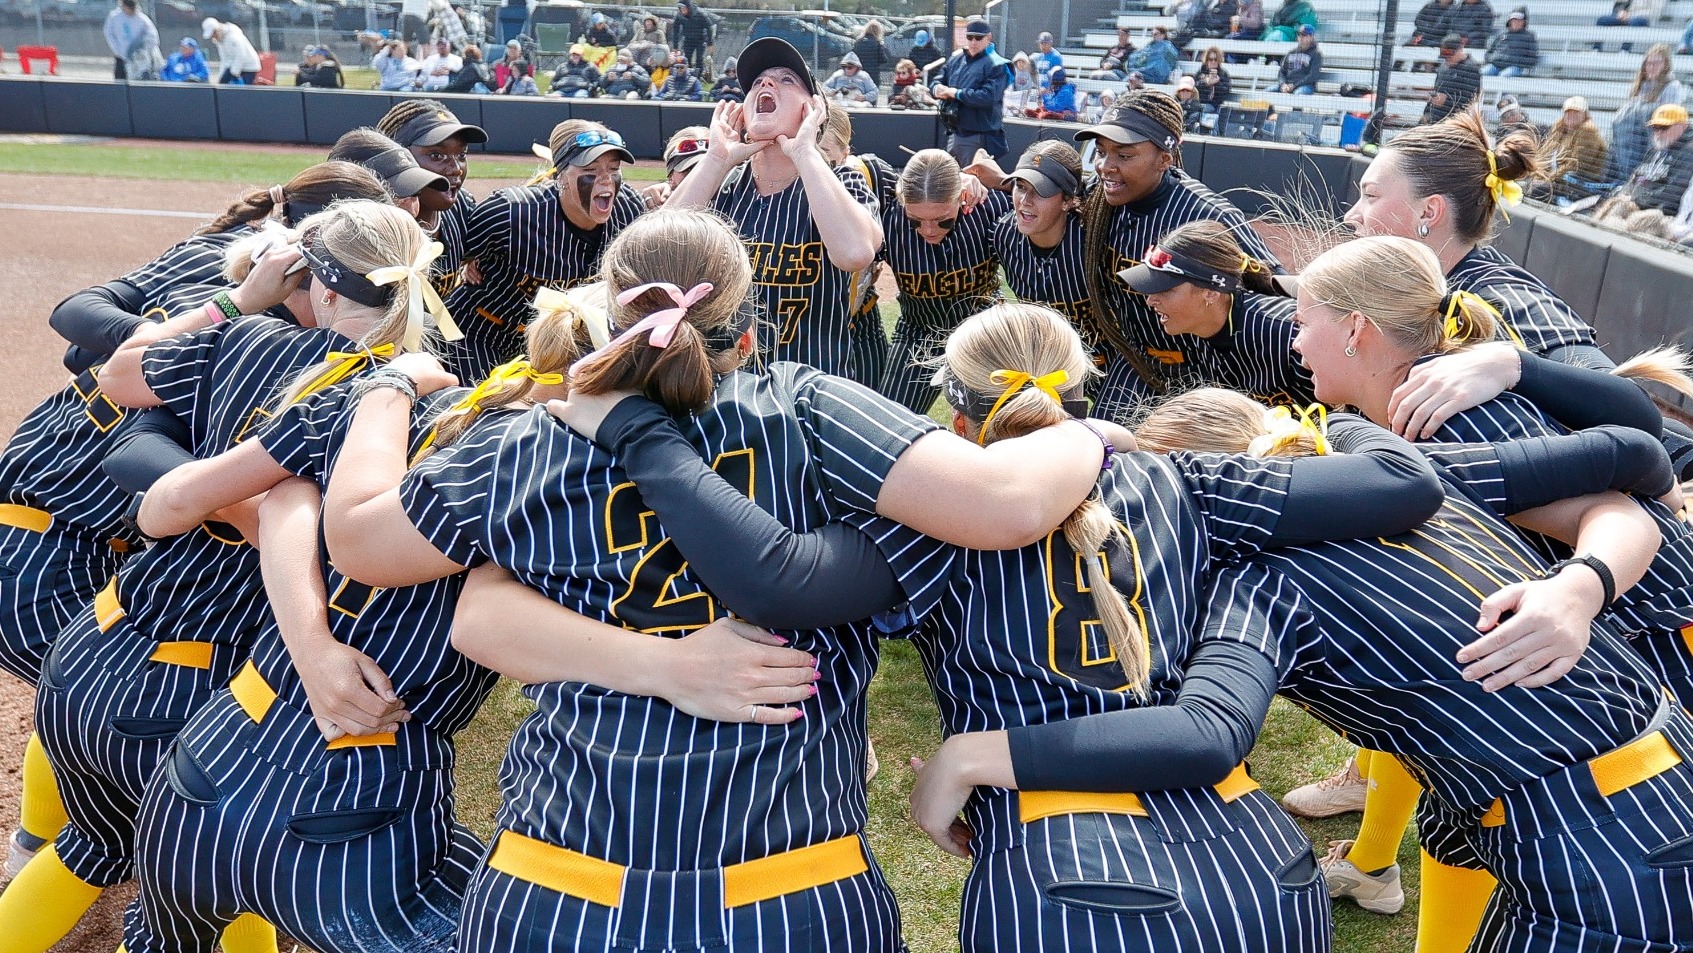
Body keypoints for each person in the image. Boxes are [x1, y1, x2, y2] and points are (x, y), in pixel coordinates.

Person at [320, 207, 1116, 953]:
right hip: (786, 889)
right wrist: (1088, 434)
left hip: (556, 882)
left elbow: (357, 539)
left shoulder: (532, 439)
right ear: (746, 334)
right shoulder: (808, 409)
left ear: (608, 320)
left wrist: (388, 385)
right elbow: (1008, 503)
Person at [0, 197, 436, 953]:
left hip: (93, 645)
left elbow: (117, 376)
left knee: (93, 847)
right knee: (216, 895)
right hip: (188, 679)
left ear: (319, 284)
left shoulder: (247, 338)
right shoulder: (394, 406)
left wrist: (238, 300)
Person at [668, 38, 883, 383]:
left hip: (809, 390)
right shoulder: (724, 184)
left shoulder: (842, 182)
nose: (766, 83)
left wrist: (806, 151)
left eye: (787, 79)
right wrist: (716, 159)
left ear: (813, 110)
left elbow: (855, 253)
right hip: (728, 391)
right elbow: (654, 250)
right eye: (757, 81)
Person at [1071, 91, 1284, 417]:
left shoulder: (1208, 216)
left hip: (1207, 372)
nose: (1106, 166)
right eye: (1101, 152)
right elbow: (1054, 199)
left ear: (1164, 159)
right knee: (1104, 443)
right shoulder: (1102, 199)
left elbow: (1273, 288)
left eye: (1124, 155)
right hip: (1138, 363)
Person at [444, 119, 645, 379]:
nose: (606, 179)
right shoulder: (512, 213)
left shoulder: (628, 209)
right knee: (481, 400)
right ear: (561, 176)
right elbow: (448, 253)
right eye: (591, 169)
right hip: (479, 333)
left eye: (614, 168)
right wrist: (468, 261)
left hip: (553, 341)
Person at [1118, 220, 1313, 406]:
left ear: (1211, 293)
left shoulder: (1289, 334)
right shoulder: (1193, 329)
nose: (1150, 300)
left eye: (1166, 289)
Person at [873, 149, 1009, 412]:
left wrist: (1000, 181)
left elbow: (1048, 202)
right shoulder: (888, 216)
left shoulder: (987, 207)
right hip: (919, 331)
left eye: (943, 220)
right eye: (916, 221)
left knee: (999, 425)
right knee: (890, 417)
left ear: (961, 197)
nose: (929, 230)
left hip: (984, 331)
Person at [376, 99, 489, 301]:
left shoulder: (462, 208)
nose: (456, 168)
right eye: (437, 155)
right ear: (396, 157)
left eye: (462, 154)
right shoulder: (370, 223)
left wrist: (474, 259)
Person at [991, 142, 1095, 349]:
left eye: (1041, 191)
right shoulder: (1004, 234)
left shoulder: (1091, 240)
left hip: (1101, 360)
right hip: (1039, 358)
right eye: (1020, 186)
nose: (1025, 200)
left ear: (1067, 201)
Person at [934, 19, 1011, 165]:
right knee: (951, 176)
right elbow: (937, 81)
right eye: (970, 37)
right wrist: (937, 89)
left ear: (988, 38)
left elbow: (988, 96)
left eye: (978, 38)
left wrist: (956, 93)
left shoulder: (998, 64)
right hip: (954, 131)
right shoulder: (957, 59)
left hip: (979, 135)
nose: (973, 42)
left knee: (972, 177)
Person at [1608, 44, 1684, 183]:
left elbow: (1668, 116)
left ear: (1665, 65)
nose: (1651, 67)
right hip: (1633, 140)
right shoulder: (1642, 86)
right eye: (1648, 63)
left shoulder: (1672, 86)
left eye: (1656, 63)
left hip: (1656, 138)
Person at [1622, 103, 1693, 212]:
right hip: (1642, 206)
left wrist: (1638, 200)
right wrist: (1623, 194)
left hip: (1667, 213)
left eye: (1664, 127)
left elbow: (1674, 192)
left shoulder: (1688, 152)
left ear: (1683, 126)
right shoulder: (1656, 149)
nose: (1659, 133)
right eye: (1655, 127)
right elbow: (1636, 177)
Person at [1540, 97, 1609, 201]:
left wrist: (1549, 178)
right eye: (1568, 112)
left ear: (1585, 115)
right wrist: (1538, 174)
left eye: (1576, 112)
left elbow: (1576, 164)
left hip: (1577, 184)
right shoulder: (1559, 129)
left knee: (1534, 190)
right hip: (1556, 179)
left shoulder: (1587, 131)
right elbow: (1544, 155)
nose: (1571, 115)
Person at [1423, 35, 1481, 124]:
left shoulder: (1471, 69)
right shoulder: (1443, 68)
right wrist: (1426, 112)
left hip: (1457, 119)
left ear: (1460, 49)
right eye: (1445, 56)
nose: (1447, 59)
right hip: (1436, 117)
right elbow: (1436, 92)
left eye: (1450, 55)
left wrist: (1446, 101)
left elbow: (1471, 99)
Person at [106, 0, 159, 80]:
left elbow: (153, 36)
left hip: (139, 59)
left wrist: (143, 50)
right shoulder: (114, 17)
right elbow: (109, 34)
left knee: (140, 81)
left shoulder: (142, 19)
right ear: (123, 6)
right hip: (121, 57)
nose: (131, 11)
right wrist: (118, 51)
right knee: (120, 81)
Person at [201, 17, 259, 84]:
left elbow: (240, 55)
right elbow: (224, 59)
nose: (213, 37)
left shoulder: (233, 36)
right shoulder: (219, 41)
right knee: (223, 84)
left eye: (213, 34)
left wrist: (234, 73)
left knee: (244, 89)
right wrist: (221, 77)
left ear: (217, 30)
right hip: (232, 65)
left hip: (249, 66)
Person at [1481, 8, 1536, 76]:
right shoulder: (1500, 33)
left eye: (1519, 20)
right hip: (1496, 65)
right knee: (1483, 73)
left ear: (1524, 22)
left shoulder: (1529, 36)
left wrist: (1516, 61)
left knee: (1505, 75)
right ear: (1509, 21)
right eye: (1513, 20)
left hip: (1514, 67)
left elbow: (1532, 58)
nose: (1515, 22)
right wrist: (1494, 58)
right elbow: (1489, 52)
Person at [669, 0, 712, 73]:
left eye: (684, 8)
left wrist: (710, 43)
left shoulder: (700, 13)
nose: (682, 10)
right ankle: (688, 74)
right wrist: (675, 46)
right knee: (687, 58)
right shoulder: (679, 15)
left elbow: (709, 28)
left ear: (688, 7)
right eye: (680, 8)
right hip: (688, 39)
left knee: (699, 58)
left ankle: (698, 75)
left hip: (701, 39)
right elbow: (675, 30)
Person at [1278, 24, 1322, 93]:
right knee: (1268, 92)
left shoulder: (1316, 54)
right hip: (1287, 85)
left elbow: (1313, 76)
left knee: (1298, 94)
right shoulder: (1291, 52)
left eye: (1304, 35)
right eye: (1299, 34)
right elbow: (1282, 72)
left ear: (1311, 37)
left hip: (1305, 86)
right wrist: (1283, 84)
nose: (1300, 37)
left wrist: (1294, 86)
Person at [852, 20, 890, 85]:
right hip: (873, 74)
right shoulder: (877, 44)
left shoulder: (858, 42)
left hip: (859, 73)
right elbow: (883, 60)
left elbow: (853, 56)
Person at [1194, 45, 1231, 112]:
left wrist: (1217, 83)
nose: (1213, 62)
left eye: (1215, 59)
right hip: (1199, 103)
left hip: (1215, 105)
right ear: (1206, 60)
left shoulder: (1223, 74)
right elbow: (1193, 87)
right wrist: (1205, 83)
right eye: (1210, 59)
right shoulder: (1200, 72)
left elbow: (1226, 92)